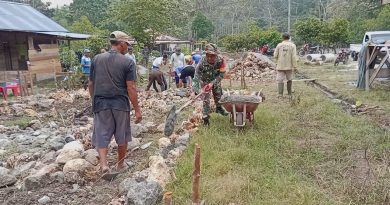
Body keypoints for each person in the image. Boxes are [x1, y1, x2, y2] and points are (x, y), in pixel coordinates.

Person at [88, 31, 142, 176]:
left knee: (102, 134)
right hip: (120, 103)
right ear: (121, 43)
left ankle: (104, 166)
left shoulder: (96, 59)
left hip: (101, 103)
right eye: (127, 44)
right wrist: (137, 109)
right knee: (122, 134)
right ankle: (120, 164)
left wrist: (94, 100)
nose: (128, 48)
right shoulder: (128, 61)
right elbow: (131, 87)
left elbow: (91, 84)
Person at [191, 43, 229, 126]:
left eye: (212, 56)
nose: (210, 58)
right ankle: (206, 118)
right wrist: (194, 91)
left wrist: (213, 83)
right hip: (204, 81)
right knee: (206, 99)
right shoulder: (201, 62)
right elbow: (196, 77)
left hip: (216, 80)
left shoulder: (220, 60)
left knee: (219, 95)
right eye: (208, 55)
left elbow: (222, 74)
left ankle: (219, 109)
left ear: (216, 55)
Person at [273, 32, 297, 98]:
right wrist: (295, 66)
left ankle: (280, 94)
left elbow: (275, 55)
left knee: (280, 80)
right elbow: (294, 57)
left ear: (282, 37)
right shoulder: (292, 45)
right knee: (289, 79)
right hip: (289, 66)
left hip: (280, 66)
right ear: (289, 37)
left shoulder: (279, 45)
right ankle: (289, 94)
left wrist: (279, 59)